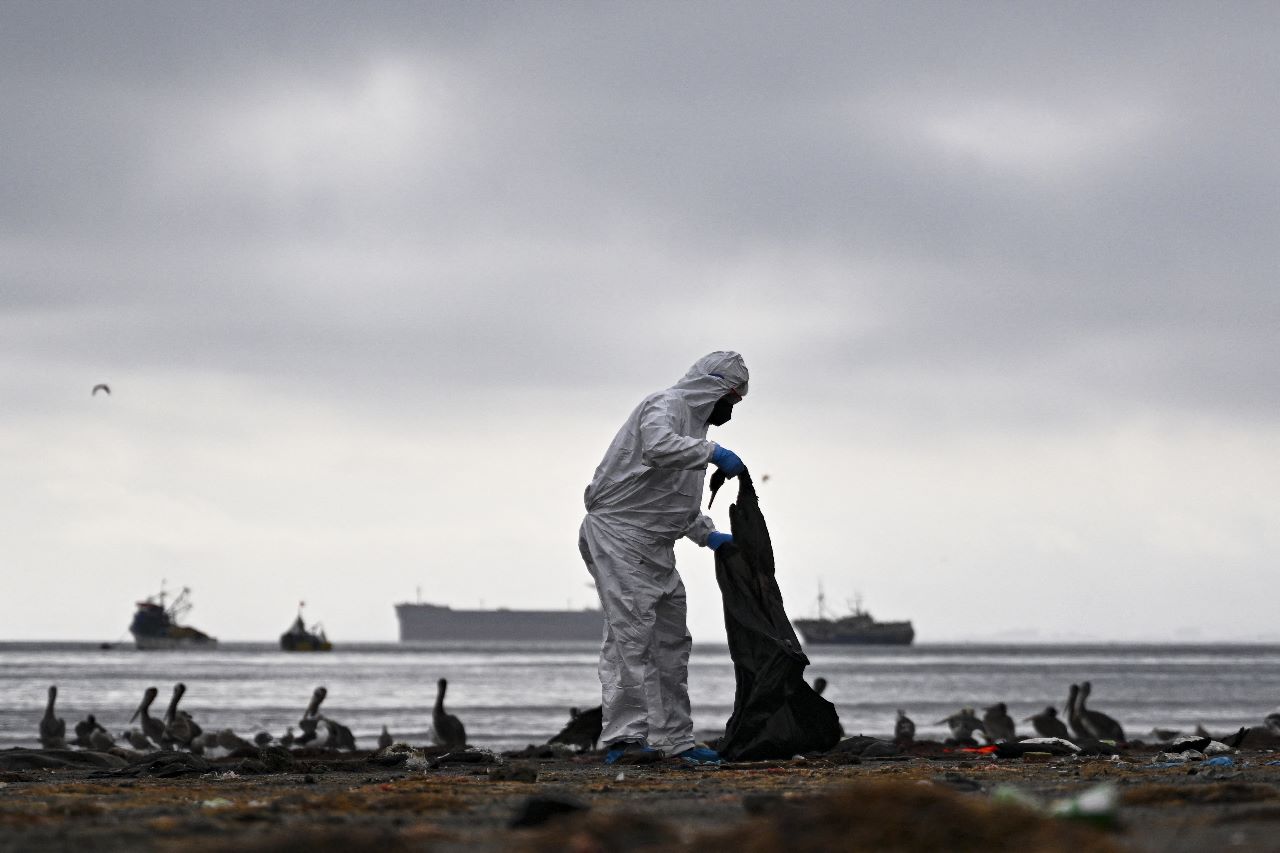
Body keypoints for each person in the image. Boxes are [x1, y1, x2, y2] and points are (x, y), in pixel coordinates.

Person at [578, 351, 749, 765]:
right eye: (730, 398)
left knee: (671, 644)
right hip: (619, 536)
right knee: (630, 639)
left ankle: (677, 740)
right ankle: (624, 739)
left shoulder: (692, 434)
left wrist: (709, 536)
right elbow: (657, 448)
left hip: (655, 547)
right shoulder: (666, 406)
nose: (731, 409)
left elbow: (672, 502)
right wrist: (713, 453)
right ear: (712, 388)